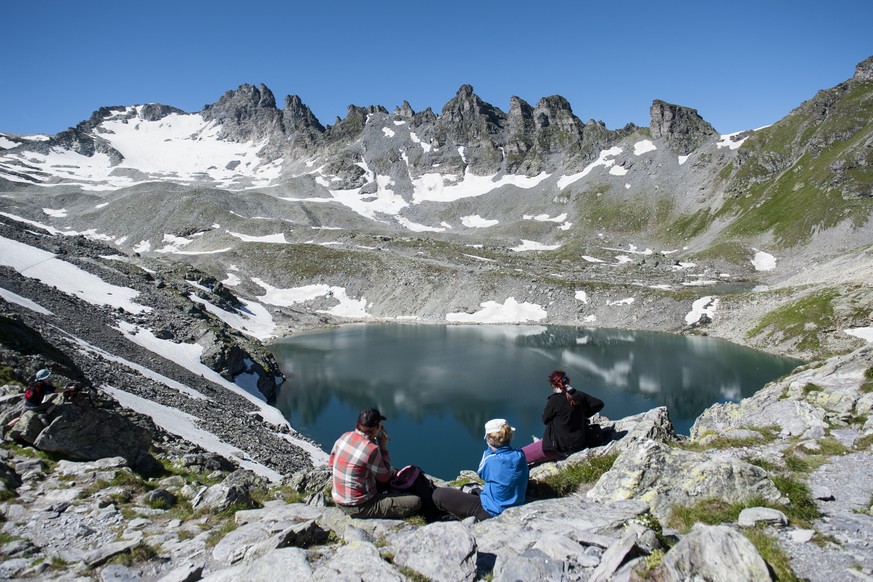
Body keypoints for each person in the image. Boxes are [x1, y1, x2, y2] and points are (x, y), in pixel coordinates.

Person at [328, 407, 421, 519]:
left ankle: (393, 494)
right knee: (416, 501)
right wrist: (383, 446)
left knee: (394, 472)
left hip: (338, 498)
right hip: (359, 506)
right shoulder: (371, 449)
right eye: (380, 425)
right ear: (376, 427)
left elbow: (332, 463)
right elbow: (385, 477)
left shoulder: (345, 436)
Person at [432, 418, 528, 521]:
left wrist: (489, 449)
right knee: (469, 488)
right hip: (517, 506)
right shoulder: (520, 455)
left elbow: (481, 474)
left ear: (490, 439)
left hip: (491, 512)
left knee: (439, 494)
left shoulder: (490, 459)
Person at [522, 370, 604, 465]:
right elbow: (599, 404)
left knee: (522, 454)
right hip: (580, 441)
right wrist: (583, 414)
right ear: (568, 381)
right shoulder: (579, 394)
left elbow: (545, 419)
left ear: (553, 385)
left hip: (560, 446)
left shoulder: (554, 400)